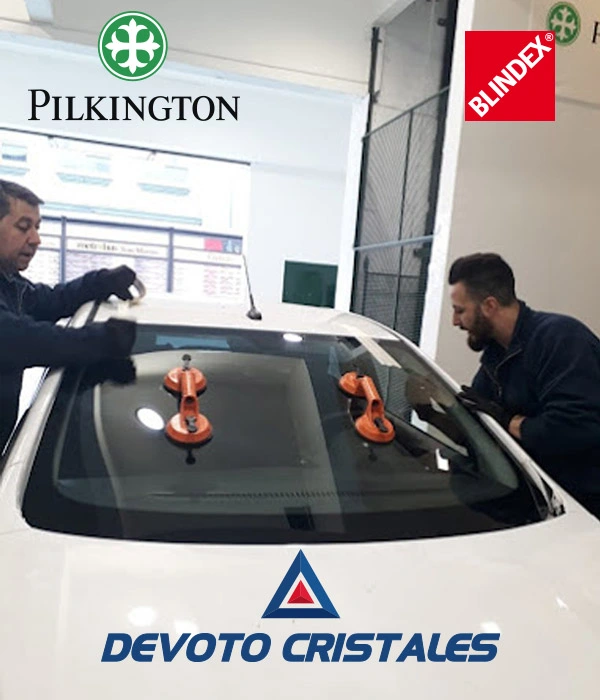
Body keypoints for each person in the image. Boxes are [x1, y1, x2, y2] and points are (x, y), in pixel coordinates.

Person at [448, 252, 600, 516]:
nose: (455, 321)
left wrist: (508, 422)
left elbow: (575, 425)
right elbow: (482, 425)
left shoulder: (562, 338)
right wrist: (434, 412)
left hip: (585, 509)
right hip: (536, 502)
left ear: (489, 306)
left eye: (460, 310)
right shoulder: (496, 356)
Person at [0, 179, 138, 451]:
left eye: (37, 228)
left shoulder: (10, 284)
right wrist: (100, 340)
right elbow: (16, 339)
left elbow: (51, 300)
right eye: (24, 227)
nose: (35, 240)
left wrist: (101, 282)